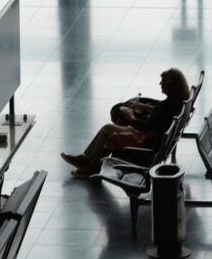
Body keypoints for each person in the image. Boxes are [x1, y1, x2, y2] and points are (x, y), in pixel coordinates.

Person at [60, 68, 191, 178]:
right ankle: (86, 160)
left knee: (107, 130)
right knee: (108, 129)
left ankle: (91, 166)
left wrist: (130, 117)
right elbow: (160, 109)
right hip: (152, 138)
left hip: (143, 140)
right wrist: (142, 107)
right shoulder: (176, 102)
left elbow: (144, 126)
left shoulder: (168, 107)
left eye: (162, 82)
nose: (160, 84)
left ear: (170, 86)